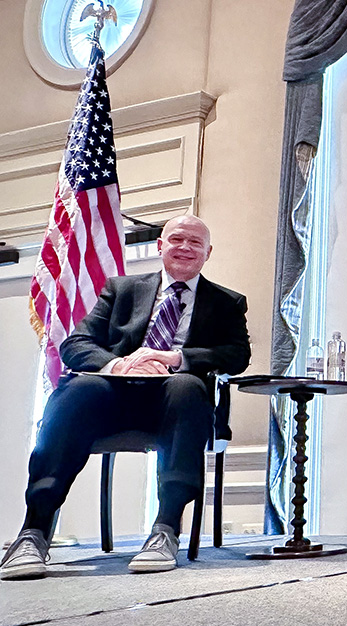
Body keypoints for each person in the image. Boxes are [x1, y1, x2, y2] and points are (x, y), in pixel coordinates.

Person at [1, 215, 251, 580]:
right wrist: (118, 365)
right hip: (113, 396)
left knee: (187, 385)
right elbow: (76, 345)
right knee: (74, 390)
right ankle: (34, 532)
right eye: (176, 239)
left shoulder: (227, 302)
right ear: (159, 246)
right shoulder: (122, 289)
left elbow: (237, 356)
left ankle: (165, 530)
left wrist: (177, 359)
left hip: (174, 401)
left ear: (208, 253)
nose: (185, 248)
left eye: (195, 243)